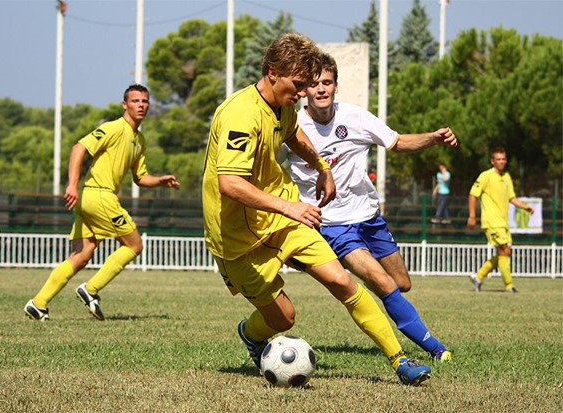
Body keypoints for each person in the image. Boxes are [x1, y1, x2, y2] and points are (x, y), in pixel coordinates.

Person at [202, 33, 431, 385]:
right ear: (273, 72)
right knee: (284, 319)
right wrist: (289, 207)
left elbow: (294, 135)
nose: (303, 94)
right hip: (235, 238)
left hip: (281, 219)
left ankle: (399, 360)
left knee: (342, 281)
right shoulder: (239, 115)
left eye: (307, 86)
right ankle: (251, 335)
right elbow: (229, 184)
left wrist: (322, 167)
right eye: (298, 85)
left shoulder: (282, 104)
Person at [284, 52, 456, 362]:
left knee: (401, 283)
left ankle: (364, 277)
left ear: (336, 86)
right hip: (333, 224)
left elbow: (397, 142)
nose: (321, 89)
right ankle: (437, 349)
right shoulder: (291, 126)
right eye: (314, 84)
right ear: (304, 90)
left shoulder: (356, 117)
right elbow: (266, 166)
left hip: (369, 217)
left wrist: (432, 138)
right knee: (384, 281)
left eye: (327, 82)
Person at [24, 84, 180, 321]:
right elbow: (79, 147)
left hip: (90, 199)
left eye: (145, 101)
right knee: (134, 245)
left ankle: (38, 303)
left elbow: (140, 178)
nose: (141, 105)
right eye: (135, 101)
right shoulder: (114, 128)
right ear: (124, 105)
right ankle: (91, 289)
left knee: (81, 255)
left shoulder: (139, 140)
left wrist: (160, 181)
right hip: (99, 195)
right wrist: (71, 184)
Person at [467, 147, 534, 293]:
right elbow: (473, 194)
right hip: (491, 221)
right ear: (492, 161)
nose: (501, 161)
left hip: (503, 222)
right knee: (504, 249)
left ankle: (478, 277)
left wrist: (525, 207)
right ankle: (509, 286)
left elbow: (512, 198)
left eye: (503, 159)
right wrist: (472, 216)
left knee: (505, 252)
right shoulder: (485, 176)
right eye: (498, 159)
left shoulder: (507, 177)